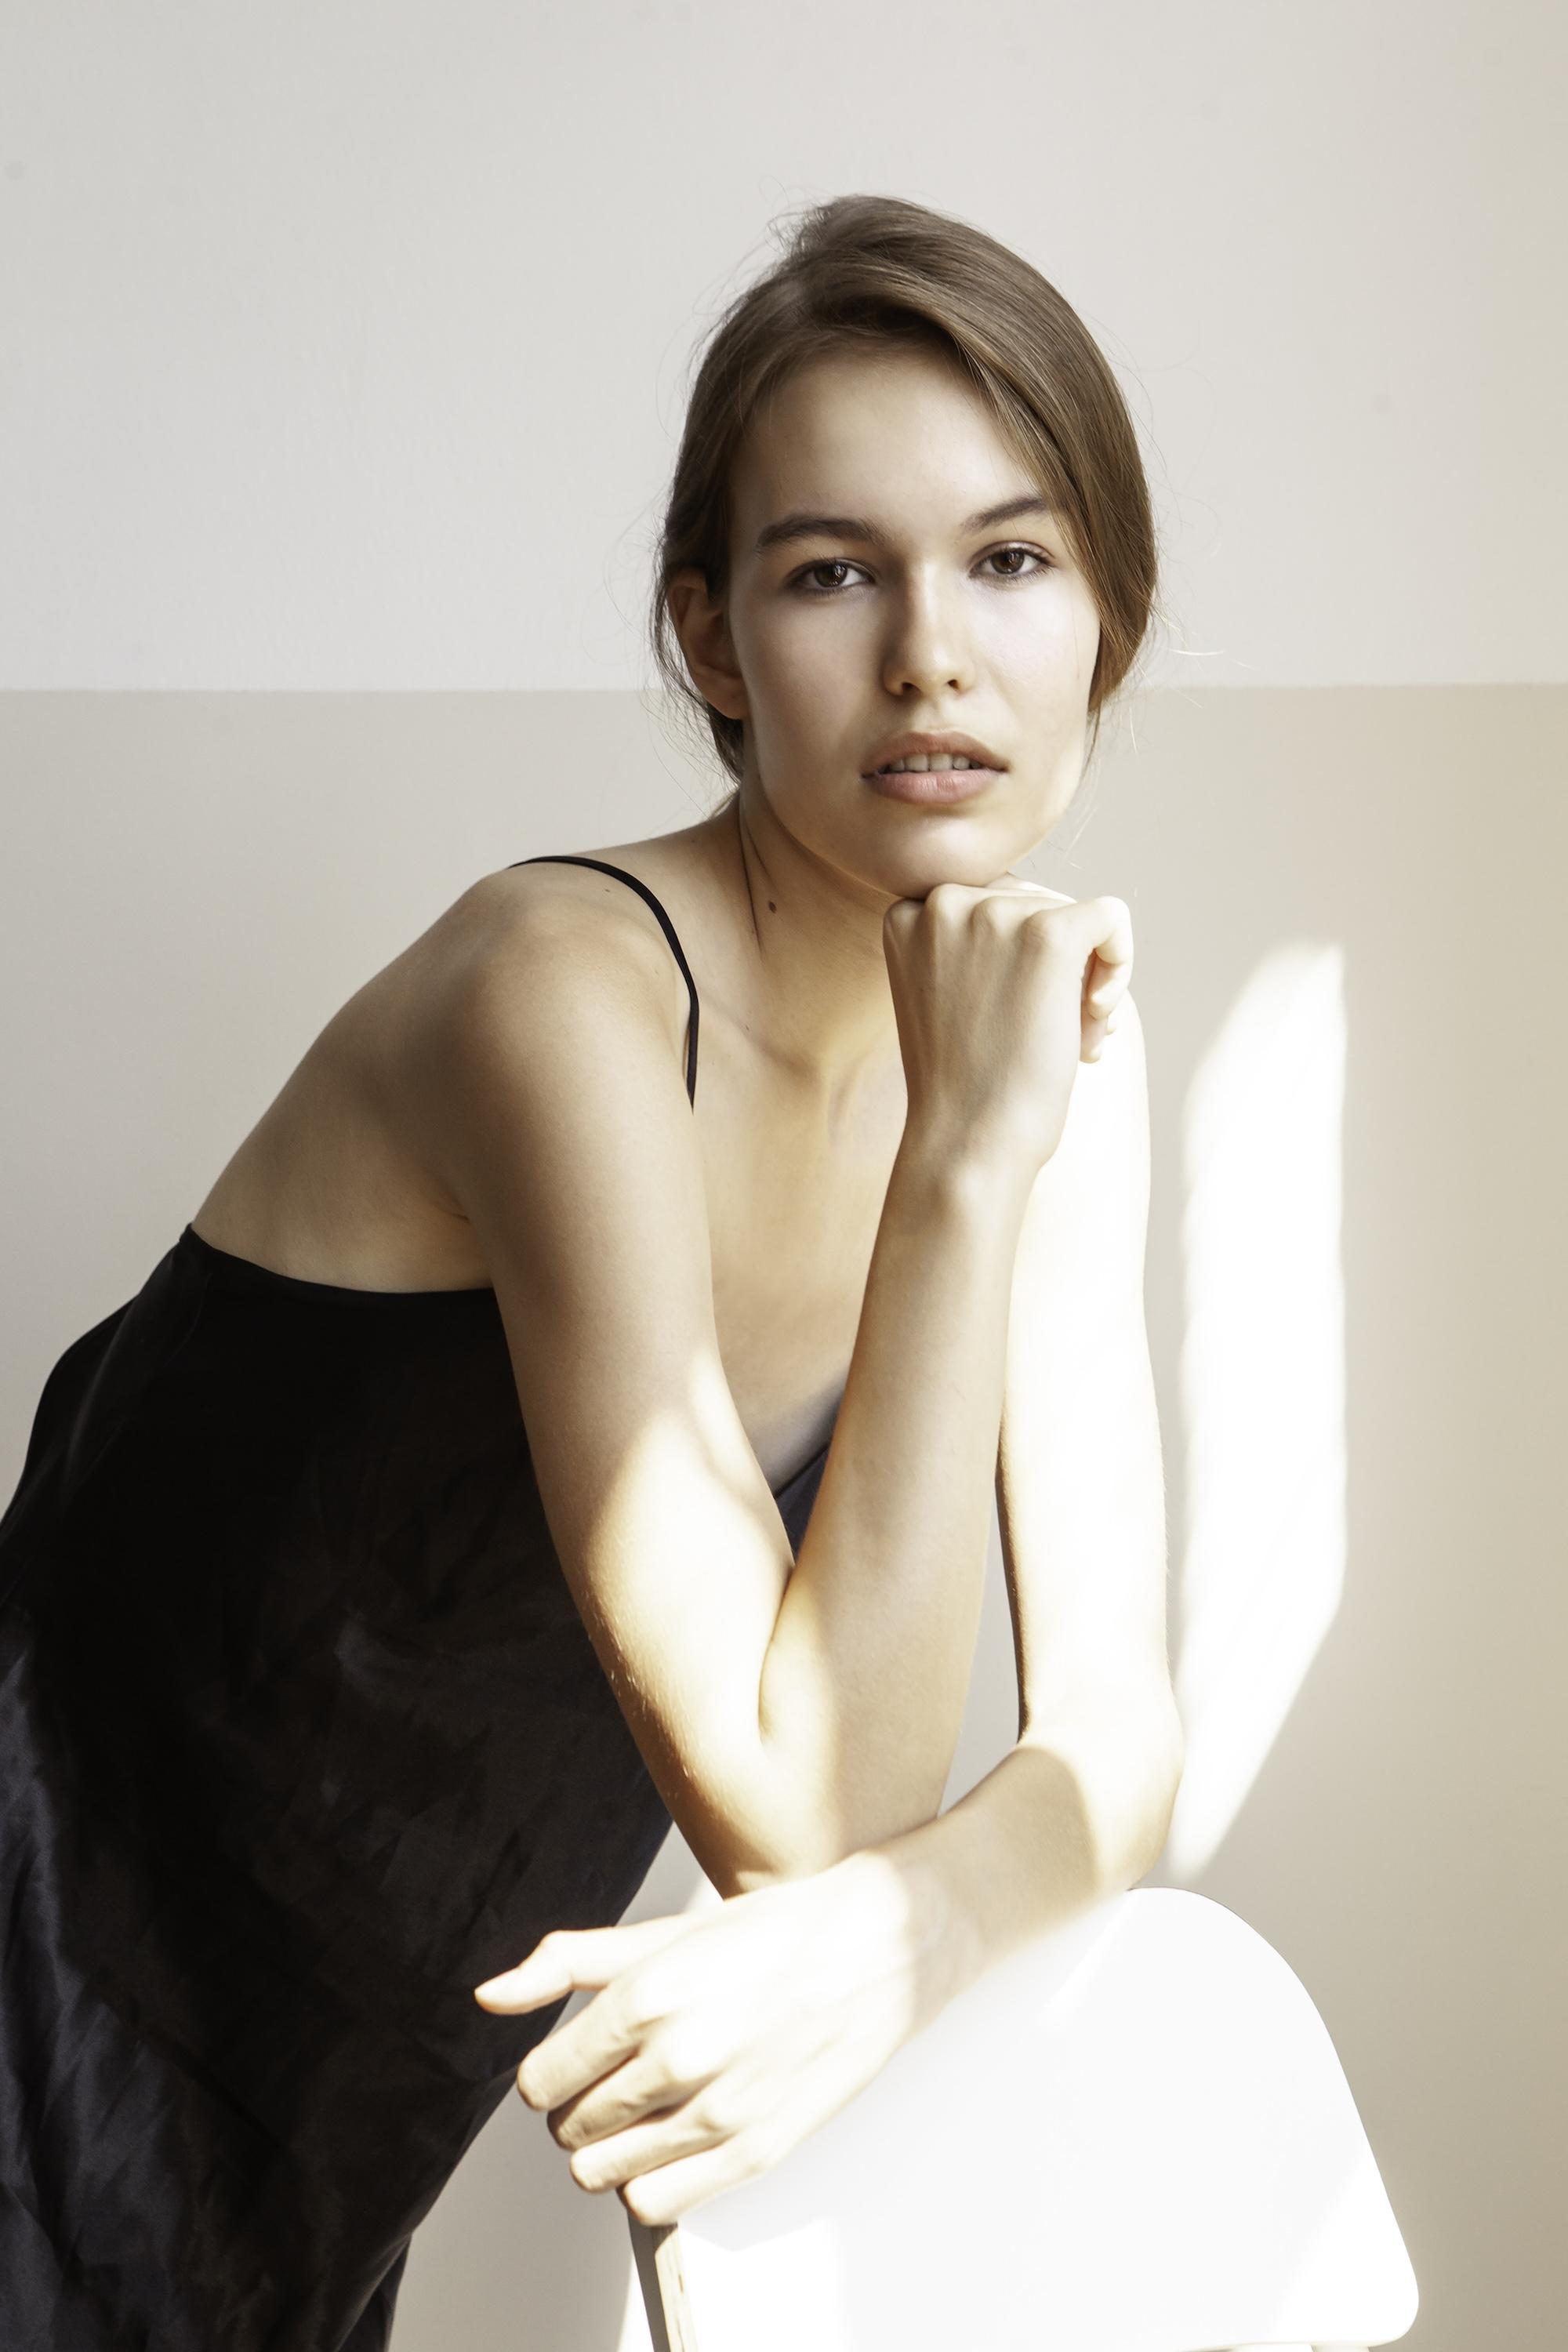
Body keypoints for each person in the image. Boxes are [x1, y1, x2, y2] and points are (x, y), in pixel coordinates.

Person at [0, 193, 1181, 2350]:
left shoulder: (1054, 1050)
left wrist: (914, 1928)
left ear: (1109, 613)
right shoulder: (566, 992)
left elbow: (1121, 1736)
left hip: (318, 2124)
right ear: (713, 643)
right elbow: (806, 1808)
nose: (933, 655)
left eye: (1012, 560)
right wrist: (963, 1157)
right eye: (833, 572)